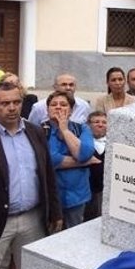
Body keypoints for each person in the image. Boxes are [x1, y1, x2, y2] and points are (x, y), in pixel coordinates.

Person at [0, 81, 62, 269]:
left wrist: (55, 212)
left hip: (33, 220)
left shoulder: (35, 131)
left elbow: (48, 173)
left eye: (16, 102)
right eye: (5, 103)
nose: (11, 108)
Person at [44, 90, 95, 229]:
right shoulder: (40, 131)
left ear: (71, 110)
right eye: (54, 104)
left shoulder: (82, 128)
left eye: (63, 105)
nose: (58, 107)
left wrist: (65, 131)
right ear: (47, 109)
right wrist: (85, 162)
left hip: (77, 197)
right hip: (50, 198)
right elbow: (50, 159)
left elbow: (84, 154)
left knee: (74, 238)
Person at [84, 111, 107, 222]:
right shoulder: (82, 143)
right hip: (88, 190)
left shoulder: (113, 143)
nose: (100, 124)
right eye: (96, 122)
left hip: (106, 190)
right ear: (88, 125)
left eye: (104, 122)